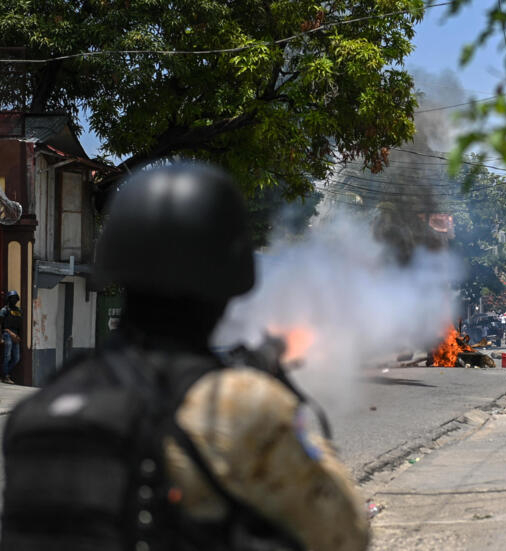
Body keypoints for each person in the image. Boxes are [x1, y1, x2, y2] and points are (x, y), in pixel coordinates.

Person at [1, 164, 368, 550]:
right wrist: (274, 397)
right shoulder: (240, 406)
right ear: (228, 284)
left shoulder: (37, 411)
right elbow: (345, 534)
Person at [0, 290, 22, 384]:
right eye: (12, 298)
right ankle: (5, 376)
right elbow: (0, 324)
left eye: (15, 298)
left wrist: (19, 336)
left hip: (15, 333)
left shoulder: (18, 310)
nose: (14, 300)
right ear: (8, 299)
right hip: (6, 333)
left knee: (16, 358)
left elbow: (20, 324)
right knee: (7, 356)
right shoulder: (4, 310)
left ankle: (5, 373)